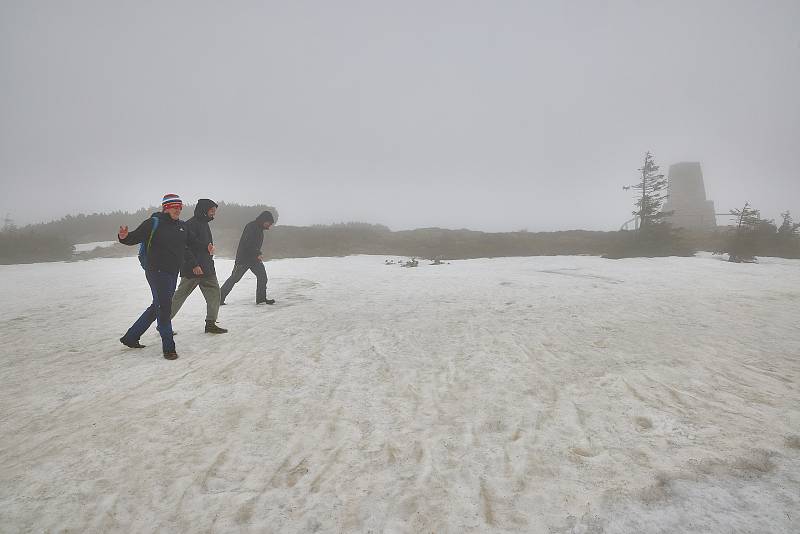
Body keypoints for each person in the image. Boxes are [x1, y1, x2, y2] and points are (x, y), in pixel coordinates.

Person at [118, 194, 198, 360]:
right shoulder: (153, 223)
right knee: (164, 308)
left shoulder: (181, 227)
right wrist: (124, 237)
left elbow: (190, 245)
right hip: (156, 271)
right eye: (174, 207)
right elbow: (133, 237)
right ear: (166, 207)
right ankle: (169, 347)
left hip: (173, 271)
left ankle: (131, 337)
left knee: (158, 305)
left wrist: (206, 248)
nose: (178, 210)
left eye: (180, 207)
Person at [170, 199, 228, 334]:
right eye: (212, 211)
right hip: (193, 269)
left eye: (214, 211)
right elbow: (184, 247)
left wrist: (210, 251)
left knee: (215, 294)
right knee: (179, 297)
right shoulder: (190, 224)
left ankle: (210, 324)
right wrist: (194, 265)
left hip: (207, 267)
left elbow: (202, 245)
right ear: (204, 210)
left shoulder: (204, 224)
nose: (214, 214)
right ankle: (164, 323)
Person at [220, 210, 275, 305]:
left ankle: (261, 299)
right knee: (234, 278)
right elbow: (247, 243)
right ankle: (219, 299)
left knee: (262, 276)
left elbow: (254, 245)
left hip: (254, 259)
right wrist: (258, 253)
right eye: (269, 223)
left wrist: (257, 254)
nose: (269, 226)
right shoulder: (251, 227)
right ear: (264, 220)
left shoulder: (260, 229)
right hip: (243, 259)